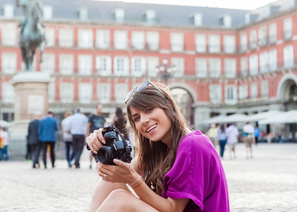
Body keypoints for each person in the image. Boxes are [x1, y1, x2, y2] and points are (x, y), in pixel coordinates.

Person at [86, 81, 229, 211]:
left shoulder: (192, 144)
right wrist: (102, 140)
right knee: (111, 184)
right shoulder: (158, 145)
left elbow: (174, 209)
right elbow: (122, 171)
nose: (144, 120)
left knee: (119, 199)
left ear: (168, 106)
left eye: (149, 110)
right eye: (137, 118)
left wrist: (134, 180)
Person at [86, 104, 106, 169]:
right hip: (93, 135)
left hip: (100, 136)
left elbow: (104, 126)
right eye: (99, 108)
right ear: (96, 109)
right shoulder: (92, 117)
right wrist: (87, 135)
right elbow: (88, 125)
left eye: (101, 108)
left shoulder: (102, 117)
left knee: (101, 150)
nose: (100, 110)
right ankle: (90, 163)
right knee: (92, 150)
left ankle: (100, 163)